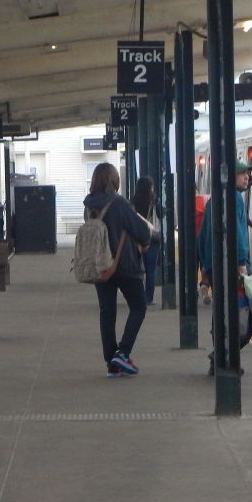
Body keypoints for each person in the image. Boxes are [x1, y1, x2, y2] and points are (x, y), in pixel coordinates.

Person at [83, 162, 153, 378]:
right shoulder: (119, 203)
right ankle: (122, 353)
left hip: (100, 267)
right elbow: (141, 231)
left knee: (107, 313)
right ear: (114, 181)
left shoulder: (88, 205)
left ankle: (111, 363)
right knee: (138, 308)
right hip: (125, 265)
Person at [197, 161, 252, 373]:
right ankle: (225, 356)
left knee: (221, 312)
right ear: (231, 177)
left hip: (215, 266)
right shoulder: (235, 199)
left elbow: (202, 237)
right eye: (242, 174)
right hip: (232, 267)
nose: (246, 177)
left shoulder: (213, 201)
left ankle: (220, 357)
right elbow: (238, 233)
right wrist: (241, 264)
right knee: (248, 313)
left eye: (247, 174)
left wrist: (205, 268)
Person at [131, 176, 162, 306]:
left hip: (137, 237)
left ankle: (137, 296)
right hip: (152, 237)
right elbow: (161, 215)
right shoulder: (154, 200)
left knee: (137, 268)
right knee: (151, 269)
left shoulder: (133, 201)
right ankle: (148, 297)